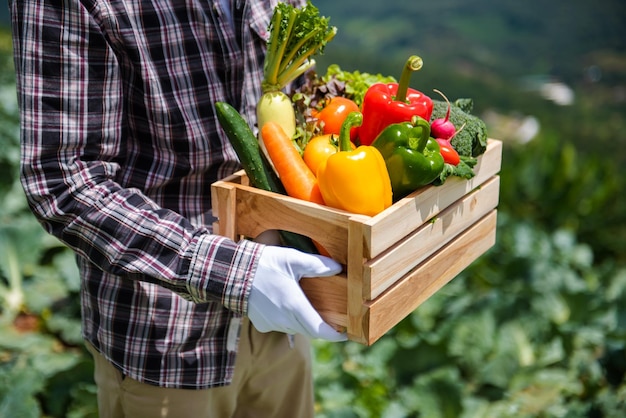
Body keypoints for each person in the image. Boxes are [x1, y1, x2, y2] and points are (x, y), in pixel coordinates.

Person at [9, 0, 347, 416]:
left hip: (286, 318)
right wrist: (238, 273)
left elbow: (300, 95)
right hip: (169, 343)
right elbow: (61, 180)